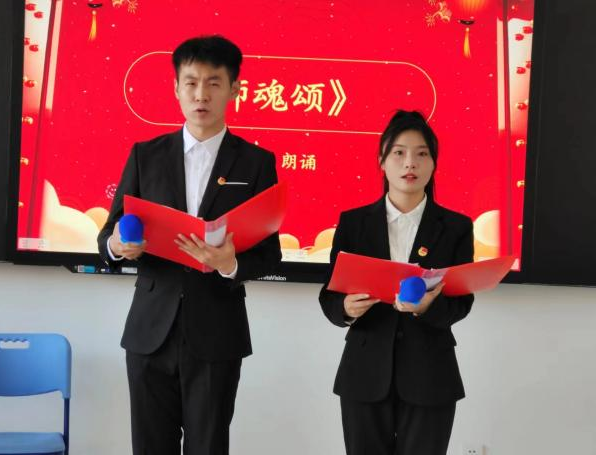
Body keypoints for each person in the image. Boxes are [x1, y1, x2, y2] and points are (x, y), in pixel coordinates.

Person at [97, 35, 281, 455]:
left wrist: (230, 263)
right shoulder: (145, 155)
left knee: (208, 447)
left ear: (234, 89)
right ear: (176, 88)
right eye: (191, 82)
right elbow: (107, 235)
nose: (201, 95)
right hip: (150, 332)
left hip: (217, 333)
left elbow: (269, 254)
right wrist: (118, 247)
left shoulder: (256, 163)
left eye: (214, 83)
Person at [319, 110, 474, 455]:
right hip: (364, 373)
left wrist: (428, 307)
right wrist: (346, 308)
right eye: (399, 153)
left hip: (430, 374)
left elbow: (461, 304)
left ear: (434, 163)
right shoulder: (354, 224)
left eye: (422, 154)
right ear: (382, 161)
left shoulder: (456, 227)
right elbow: (329, 298)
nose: (410, 163)